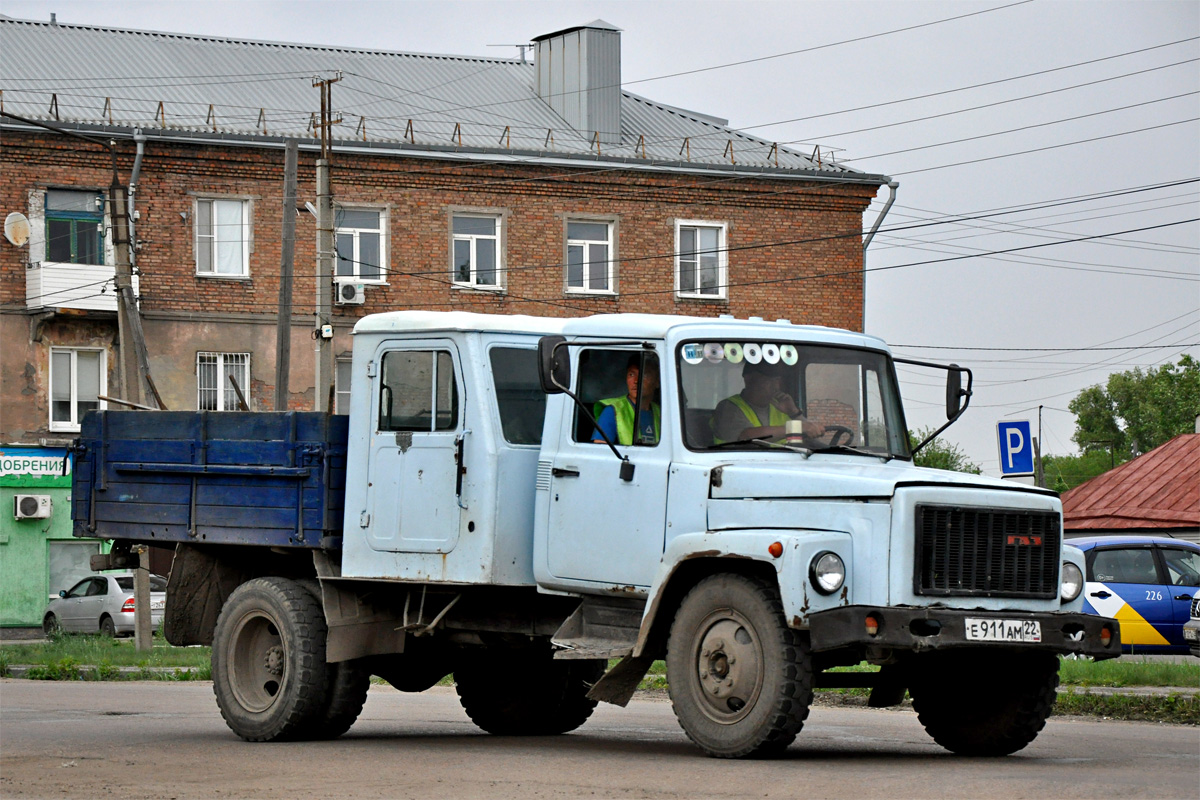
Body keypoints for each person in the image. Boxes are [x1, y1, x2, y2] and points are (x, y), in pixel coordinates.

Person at [711, 361, 823, 444]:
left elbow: (809, 437)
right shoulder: (729, 407)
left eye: (777, 380)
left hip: (783, 467)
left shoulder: (781, 407)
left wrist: (794, 412)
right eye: (769, 380)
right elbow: (747, 437)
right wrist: (798, 427)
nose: (776, 386)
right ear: (749, 379)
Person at [592, 355, 660, 445]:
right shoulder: (613, 411)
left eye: (644, 375)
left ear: (657, 382)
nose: (636, 380)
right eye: (631, 374)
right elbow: (600, 452)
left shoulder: (660, 413)